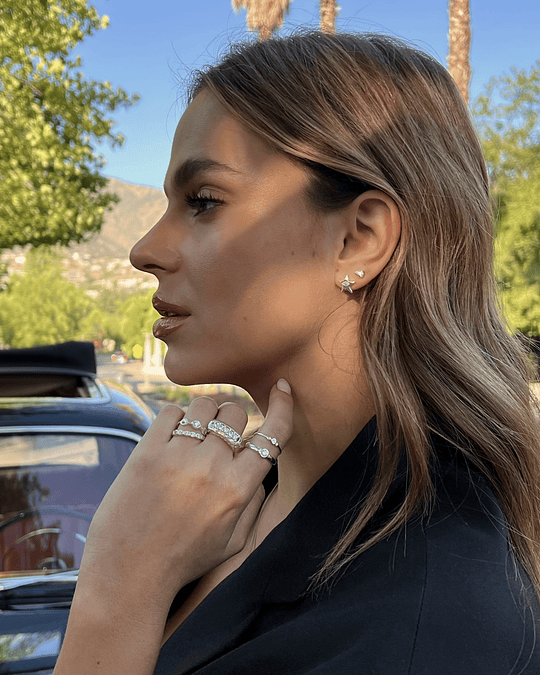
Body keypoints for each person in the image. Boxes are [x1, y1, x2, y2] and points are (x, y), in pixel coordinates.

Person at [53, 31, 540, 674]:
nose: (144, 250)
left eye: (203, 202)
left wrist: (117, 592)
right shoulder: (239, 502)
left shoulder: (427, 629)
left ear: (359, 239)